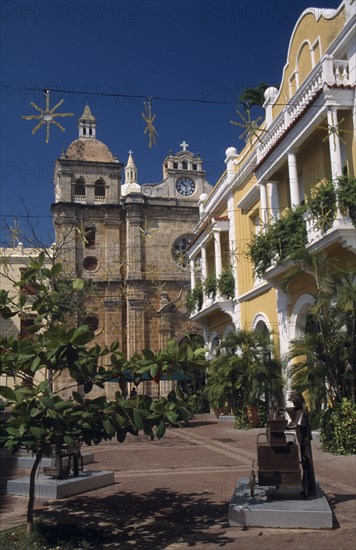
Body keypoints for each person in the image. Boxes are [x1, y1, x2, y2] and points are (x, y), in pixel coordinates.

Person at [286, 391, 316, 496]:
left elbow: (297, 424)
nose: (293, 404)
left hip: (305, 441)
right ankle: (308, 486)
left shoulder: (302, 413)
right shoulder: (299, 411)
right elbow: (292, 412)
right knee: (305, 464)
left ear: (298, 402)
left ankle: (310, 488)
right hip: (302, 441)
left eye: (294, 402)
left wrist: (286, 426)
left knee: (307, 464)